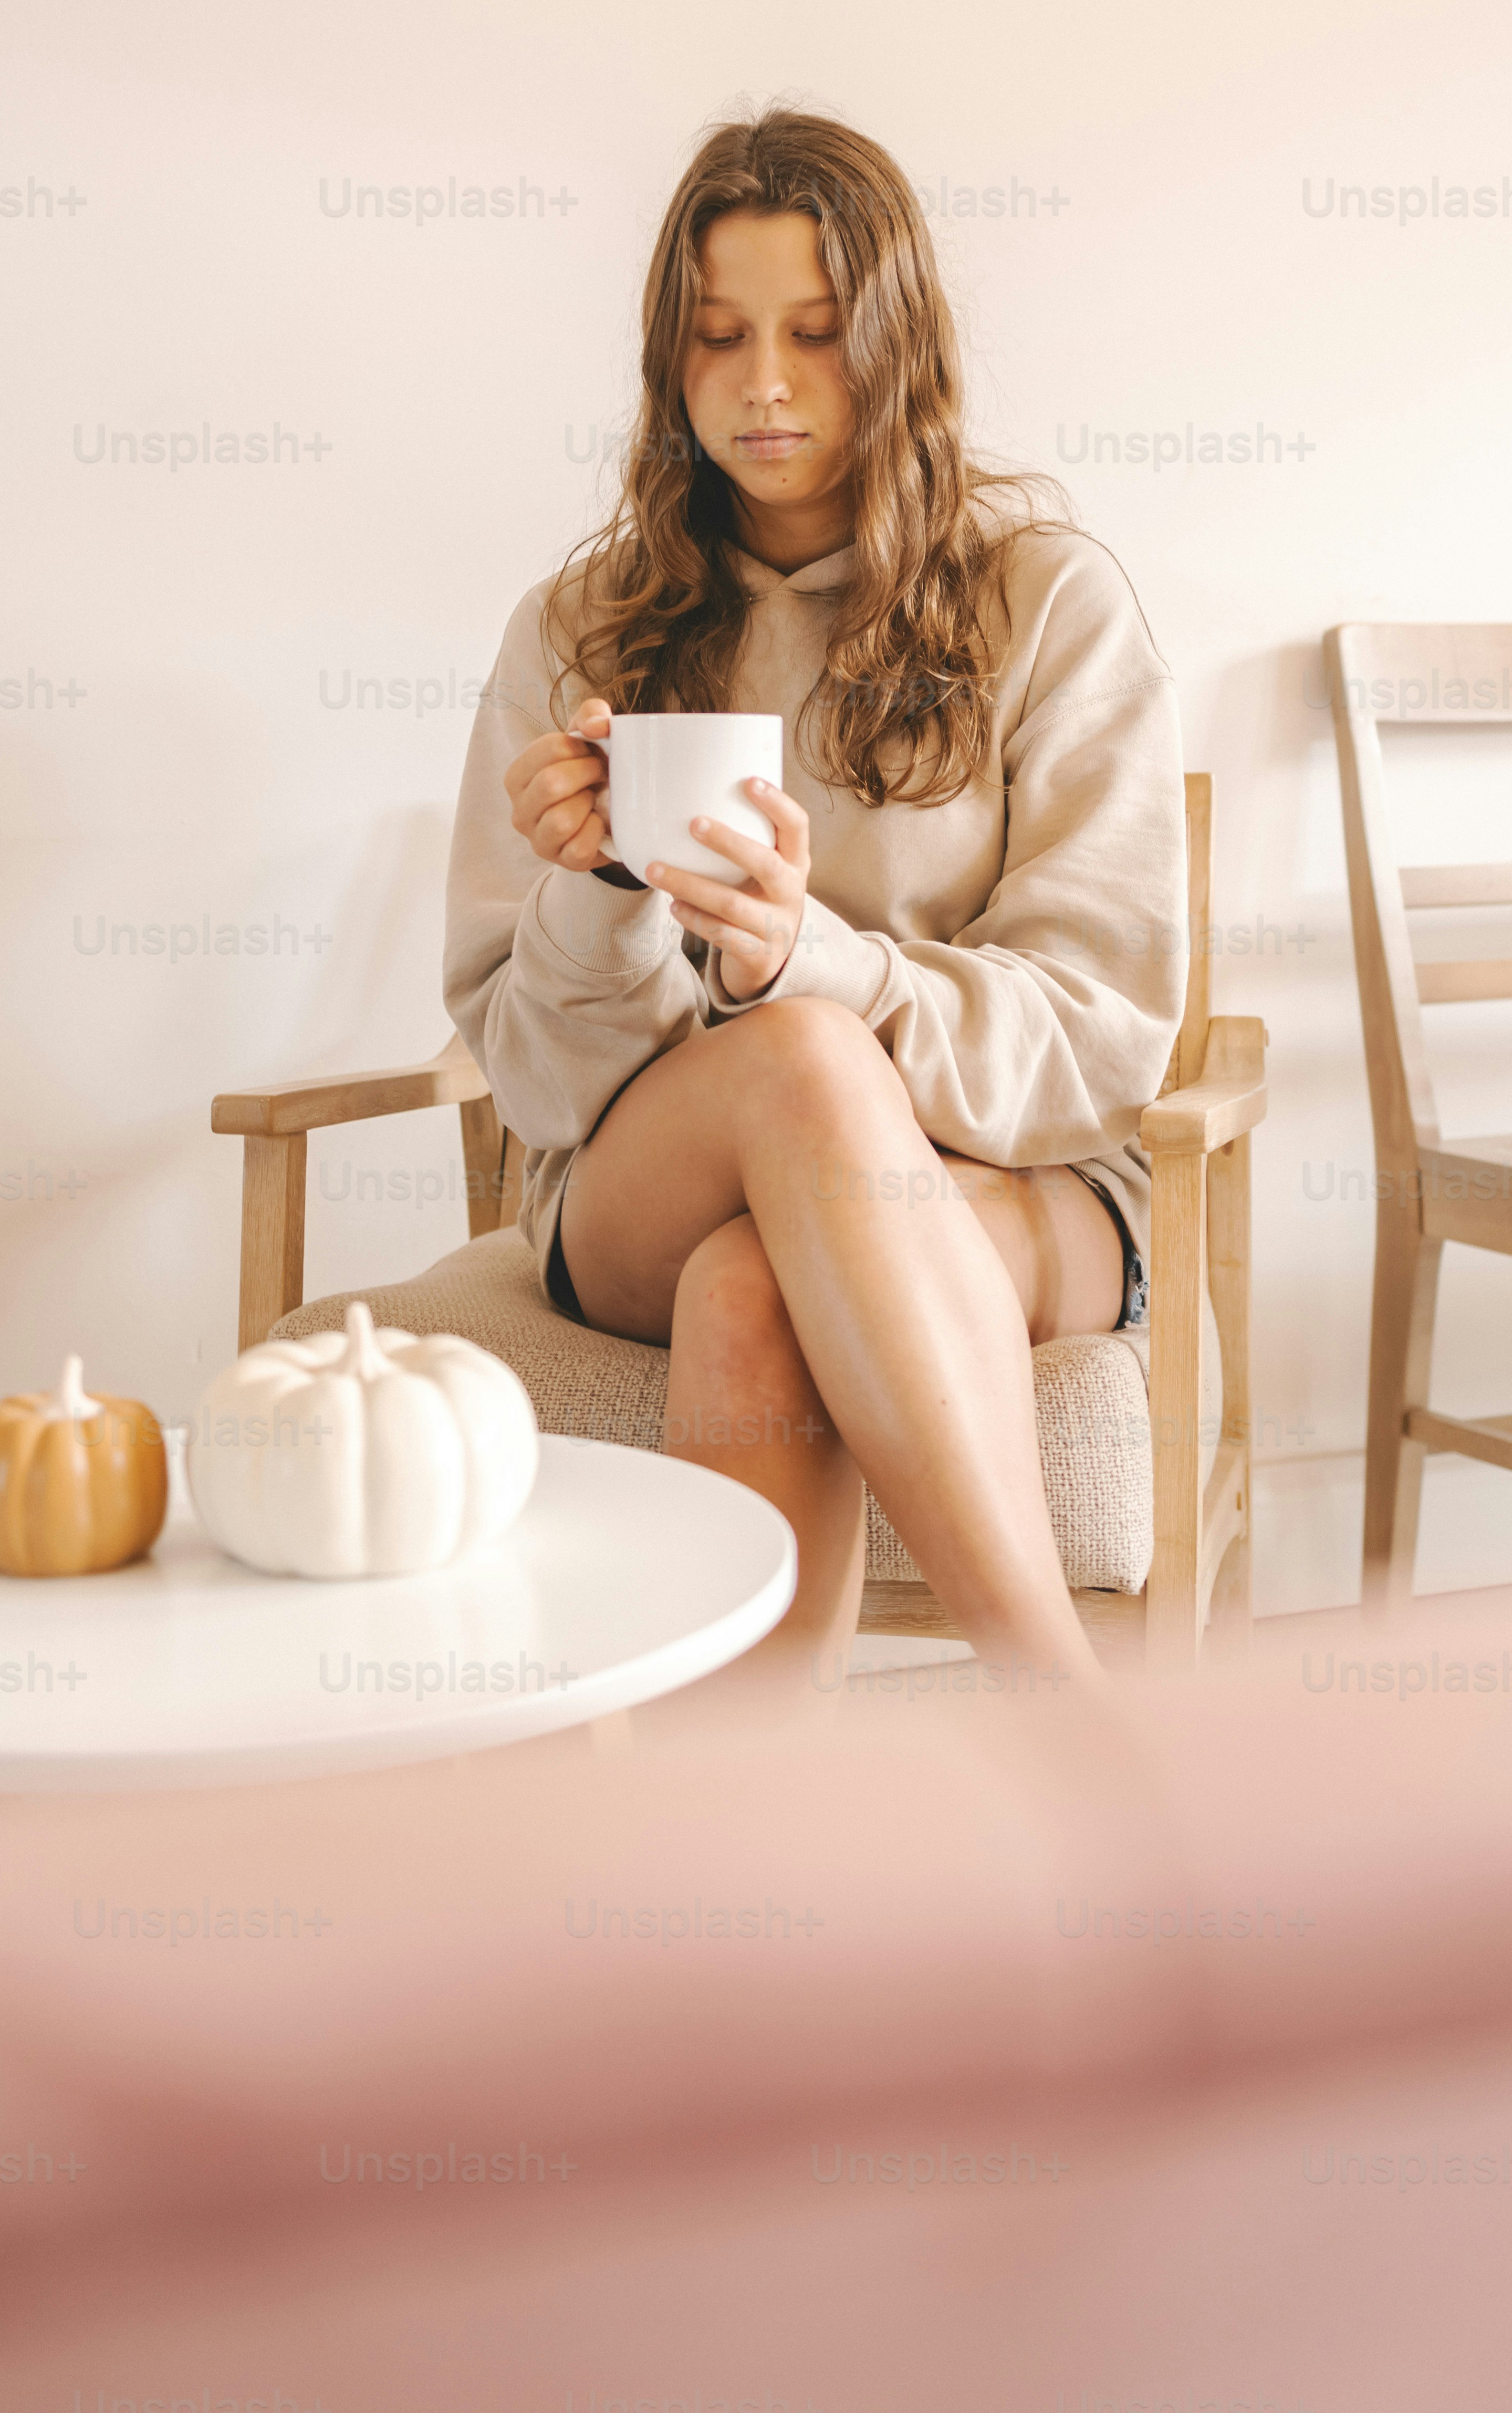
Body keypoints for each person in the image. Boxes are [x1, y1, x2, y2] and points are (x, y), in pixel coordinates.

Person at [443, 111, 1186, 1688]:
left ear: (898, 342)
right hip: (646, 1187)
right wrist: (597, 894)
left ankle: (744, 1835)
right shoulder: (577, 629)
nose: (764, 386)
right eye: (719, 337)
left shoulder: (1051, 603)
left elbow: (1101, 1041)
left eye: (818, 333)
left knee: (756, 1279)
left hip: (1018, 1176)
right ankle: (1070, 1710)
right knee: (791, 1065)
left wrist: (820, 964)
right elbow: (540, 1091)